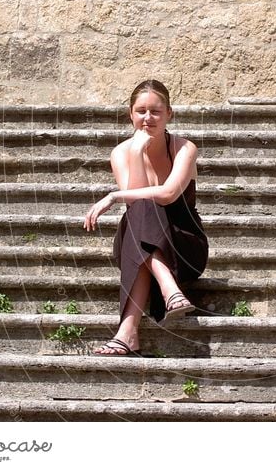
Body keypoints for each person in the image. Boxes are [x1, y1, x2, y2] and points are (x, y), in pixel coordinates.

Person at [83, 79, 208, 357]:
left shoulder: (184, 148)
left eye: (155, 111)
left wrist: (113, 196)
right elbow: (134, 199)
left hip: (184, 246)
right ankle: (166, 294)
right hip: (142, 244)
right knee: (138, 207)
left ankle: (129, 330)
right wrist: (137, 151)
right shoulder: (121, 152)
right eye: (141, 111)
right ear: (130, 114)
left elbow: (169, 194)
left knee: (143, 204)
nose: (147, 118)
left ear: (169, 114)